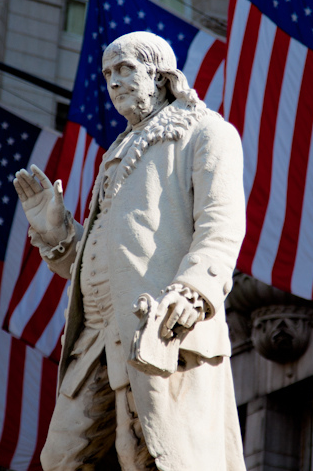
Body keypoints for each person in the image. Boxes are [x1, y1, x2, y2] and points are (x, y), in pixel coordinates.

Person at [13, 31, 246, 471]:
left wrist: (194, 290)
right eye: (108, 73)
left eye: (125, 69)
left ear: (158, 76)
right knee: (61, 458)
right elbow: (103, 251)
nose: (114, 81)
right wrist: (55, 228)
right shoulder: (117, 150)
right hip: (96, 335)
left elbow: (222, 225)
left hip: (157, 325)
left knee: (150, 456)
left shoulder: (206, 131)